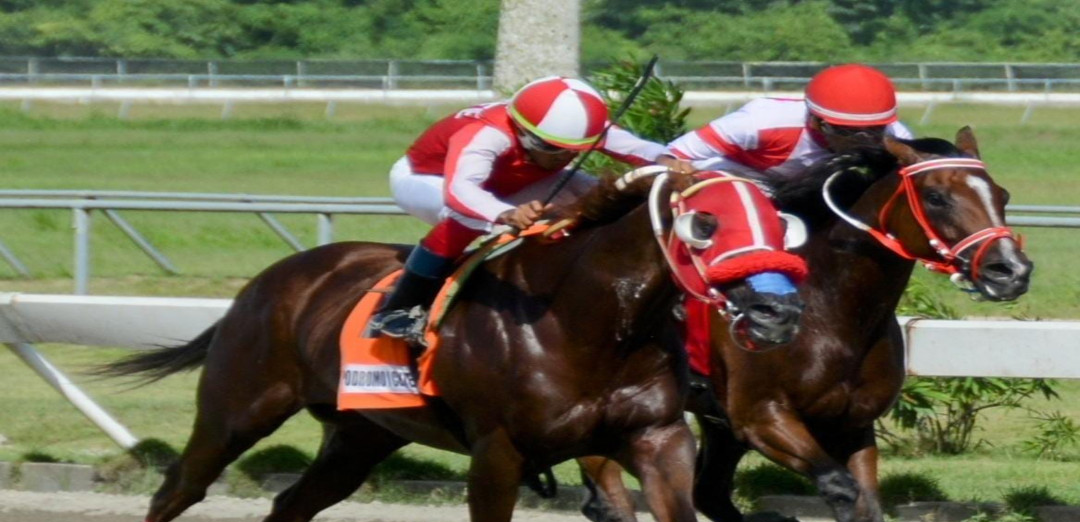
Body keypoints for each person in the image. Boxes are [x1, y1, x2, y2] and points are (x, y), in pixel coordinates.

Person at [372, 75, 694, 342]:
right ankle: (398, 308)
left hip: (511, 180)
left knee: (602, 199)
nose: (561, 158)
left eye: (572, 152)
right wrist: (506, 214)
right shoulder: (486, 133)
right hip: (429, 179)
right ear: (522, 131)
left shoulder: (578, 129)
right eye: (551, 149)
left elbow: (641, 150)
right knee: (464, 217)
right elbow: (461, 191)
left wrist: (667, 161)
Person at [666, 63, 913, 181]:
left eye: (874, 130)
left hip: (808, 189)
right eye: (847, 131)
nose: (864, 141)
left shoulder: (894, 135)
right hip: (737, 180)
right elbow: (673, 155)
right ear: (816, 121)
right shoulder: (759, 122)